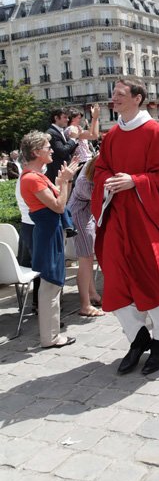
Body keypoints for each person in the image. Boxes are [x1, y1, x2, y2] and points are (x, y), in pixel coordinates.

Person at [92, 77, 159, 376]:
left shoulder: (154, 132)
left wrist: (135, 181)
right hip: (118, 219)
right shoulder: (111, 136)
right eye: (114, 94)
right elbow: (100, 170)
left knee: (155, 279)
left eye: (120, 94)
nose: (114, 98)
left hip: (149, 221)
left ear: (137, 98)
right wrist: (108, 182)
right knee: (114, 280)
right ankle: (138, 338)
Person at [19, 131, 79, 348]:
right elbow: (59, 206)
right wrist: (63, 183)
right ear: (36, 152)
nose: (51, 149)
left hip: (49, 232)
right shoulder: (32, 178)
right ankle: (50, 337)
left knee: (52, 286)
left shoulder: (37, 176)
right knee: (49, 287)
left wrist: (66, 181)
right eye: (47, 147)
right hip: (46, 234)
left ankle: (52, 335)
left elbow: (62, 200)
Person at [66, 155, 103, 318]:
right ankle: (85, 304)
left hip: (84, 216)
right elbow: (101, 199)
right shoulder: (85, 184)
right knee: (85, 259)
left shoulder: (88, 174)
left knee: (87, 259)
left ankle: (92, 294)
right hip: (79, 217)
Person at [46, 108, 80, 185]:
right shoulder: (52, 133)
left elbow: (68, 150)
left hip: (66, 171)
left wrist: (74, 140)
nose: (68, 120)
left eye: (68, 117)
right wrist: (72, 139)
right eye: (65, 117)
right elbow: (62, 151)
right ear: (56, 118)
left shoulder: (59, 131)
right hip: (59, 173)